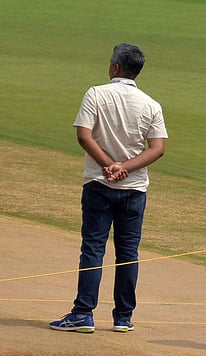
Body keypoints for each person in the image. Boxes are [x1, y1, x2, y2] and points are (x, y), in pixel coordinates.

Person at [50, 43, 168, 333]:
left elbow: (84, 135)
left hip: (99, 184)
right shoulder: (151, 104)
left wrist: (109, 165)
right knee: (128, 253)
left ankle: (83, 313)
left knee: (93, 248)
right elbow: (157, 148)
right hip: (134, 188)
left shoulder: (96, 93)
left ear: (116, 67)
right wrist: (124, 168)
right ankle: (123, 318)